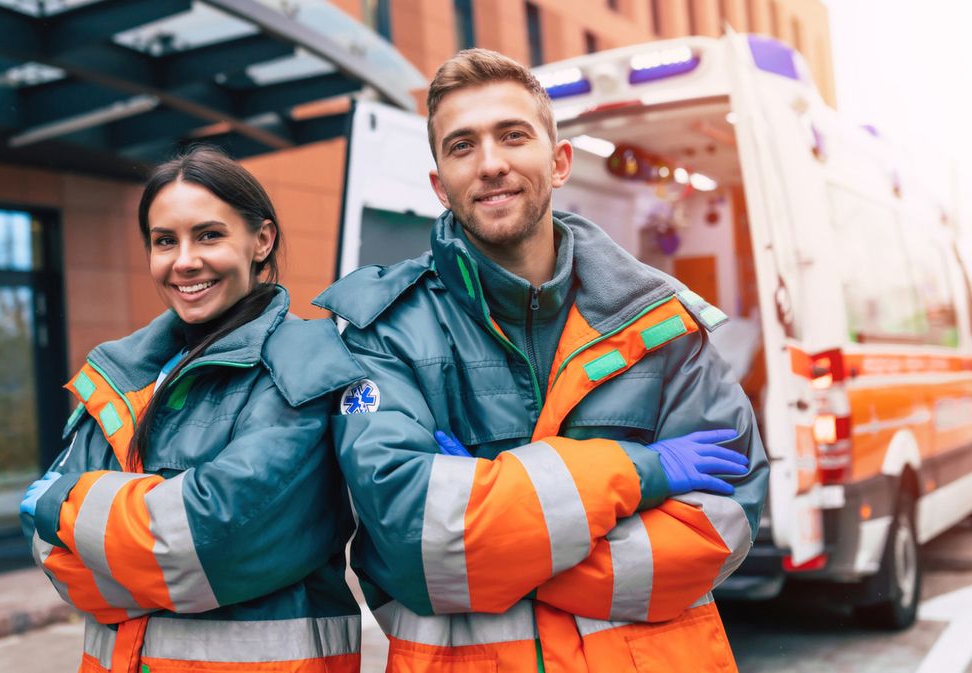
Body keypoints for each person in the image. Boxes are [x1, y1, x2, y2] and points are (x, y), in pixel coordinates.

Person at [314, 49, 769, 673]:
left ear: (558, 162)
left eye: (512, 135)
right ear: (439, 183)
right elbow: (413, 547)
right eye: (462, 146)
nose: (491, 163)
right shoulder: (382, 330)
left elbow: (723, 525)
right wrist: (639, 473)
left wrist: (492, 528)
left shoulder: (659, 322)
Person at [20, 146, 365, 673]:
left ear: (261, 240)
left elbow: (212, 540)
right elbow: (52, 557)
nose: (184, 261)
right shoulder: (121, 373)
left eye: (209, 235)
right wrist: (146, 546)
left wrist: (64, 505)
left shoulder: (303, 366)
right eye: (164, 241)